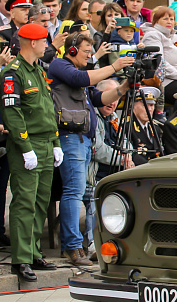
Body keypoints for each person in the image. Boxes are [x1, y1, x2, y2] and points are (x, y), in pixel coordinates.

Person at [48, 33, 134, 266]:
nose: (90, 55)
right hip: (70, 137)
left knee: (77, 191)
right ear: (72, 50)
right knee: (73, 192)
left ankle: (77, 244)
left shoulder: (81, 77)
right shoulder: (61, 65)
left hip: (83, 139)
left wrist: (124, 87)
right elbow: (80, 78)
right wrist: (114, 65)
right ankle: (73, 246)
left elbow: (99, 96)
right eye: (86, 51)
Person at [0, 22, 62, 282]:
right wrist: (24, 147)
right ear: (32, 43)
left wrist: (56, 142)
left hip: (46, 142)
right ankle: (21, 258)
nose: (47, 45)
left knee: (40, 200)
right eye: (43, 41)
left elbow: (47, 108)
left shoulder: (37, 70)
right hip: (29, 144)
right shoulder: (12, 73)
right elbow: (12, 114)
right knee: (25, 201)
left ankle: (34, 251)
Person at [127, 86, 163, 166]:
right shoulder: (127, 126)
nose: (149, 109)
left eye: (151, 105)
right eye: (145, 105)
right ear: (133, 106)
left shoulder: (155, 127)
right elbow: (133, 155)